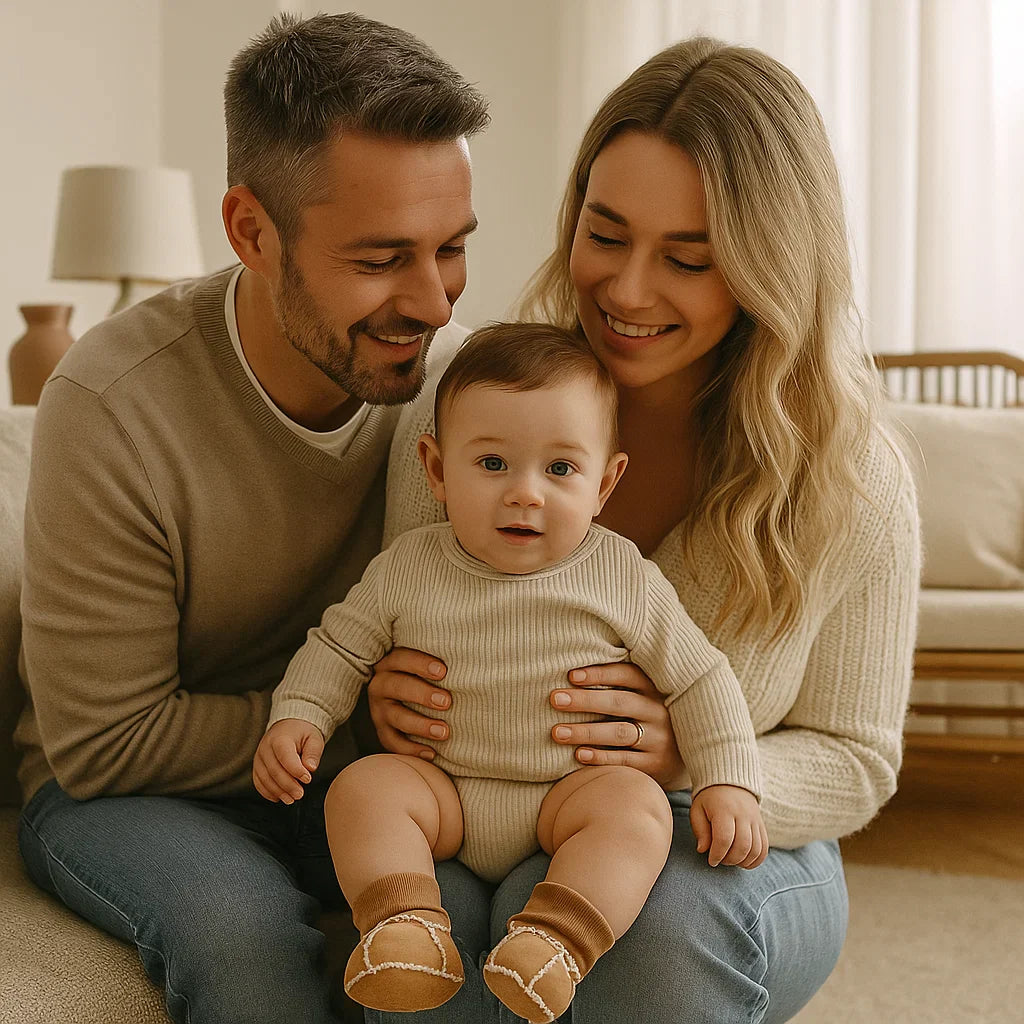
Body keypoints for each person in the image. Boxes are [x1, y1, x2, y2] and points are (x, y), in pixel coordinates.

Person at [373, 36, 920, 1024]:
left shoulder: (852, 477)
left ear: (768, 266)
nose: (626, 289)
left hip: (730, 844)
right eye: (606, 232)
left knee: (657, 930)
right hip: (488, 809)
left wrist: (685, 756)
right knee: (429, 931)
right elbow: (403, 614)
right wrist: (391, 692)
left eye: (688, 258)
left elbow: (855, 758)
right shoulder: (469, 413)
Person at [15, 13, 488, 1024]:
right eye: (381, 258)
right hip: (134, 796)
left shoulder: (460, 391)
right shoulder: (113, 403)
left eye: (451, 248)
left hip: (358, 779)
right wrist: (355, 716)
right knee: (244, 945)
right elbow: (107, 741)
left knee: (459, 924)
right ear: (250, 231)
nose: (436, 303)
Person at [254, 322, 768, 1022]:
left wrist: (728, 778)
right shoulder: (410, 566)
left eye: (560, 470)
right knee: (362, 789)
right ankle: (406, 927)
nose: (526, 494)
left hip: (568, 799)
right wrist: (299, 716)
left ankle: (556, 944)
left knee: (638, 810)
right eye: (492, 464)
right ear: (435, 469)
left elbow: (700, 679)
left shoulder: (620, 574)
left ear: (604, 482)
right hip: (445, 796)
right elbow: (338, 647)